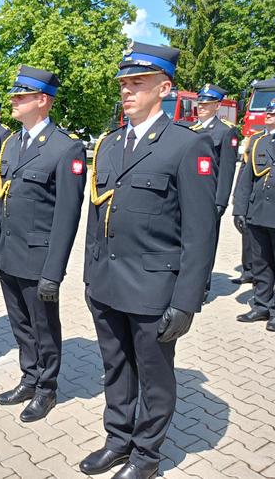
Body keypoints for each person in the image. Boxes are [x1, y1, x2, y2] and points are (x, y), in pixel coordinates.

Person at [82, 41, 216, 479]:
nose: (127, 91)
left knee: (155, 379)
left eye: (137, 83)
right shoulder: (109, 143)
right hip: (106, 284)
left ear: (164, 87)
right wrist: (89, 277)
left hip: (153, 288)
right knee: (115, 369)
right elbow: (96, 215)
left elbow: (201, 232)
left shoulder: (185, 145)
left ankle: (146, 455)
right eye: (124, 83)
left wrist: (186, 301)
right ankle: (118, 440)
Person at [0, 65, 86, 422]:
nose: (13, 100)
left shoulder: (65, 148)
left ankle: (47, 387)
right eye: (14, 95)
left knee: (44, 328)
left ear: (42, 101)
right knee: (20, 326)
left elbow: (67, 216)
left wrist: (53, 271)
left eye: (21, 95)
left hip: (39, 258)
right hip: (11, 254)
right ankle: (29, 378)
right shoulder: (11, 144)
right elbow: (0, 200)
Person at [233, 94, 275, 332]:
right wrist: (240, 209)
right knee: (261, 264)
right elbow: (247, 179)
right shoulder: (261, 142)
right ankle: (261, 305)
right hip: (258, 214)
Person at [191, 84, 239, 302]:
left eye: (207, 104)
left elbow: (227, 170)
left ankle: (202, 287)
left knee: (205, 244)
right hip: (189, 195)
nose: (201, 107)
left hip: (209, 198)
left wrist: (221, 202)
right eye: (200, 103)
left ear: (217, 106)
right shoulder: (192, 130)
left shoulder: (225, 131)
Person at [232, 98, 275, 285]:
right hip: (255, 201)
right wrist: (238, 199)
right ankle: (249, 271)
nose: (269, 116)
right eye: (268, 112)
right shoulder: (256, 139)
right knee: (252, 244)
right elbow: (245, 171)